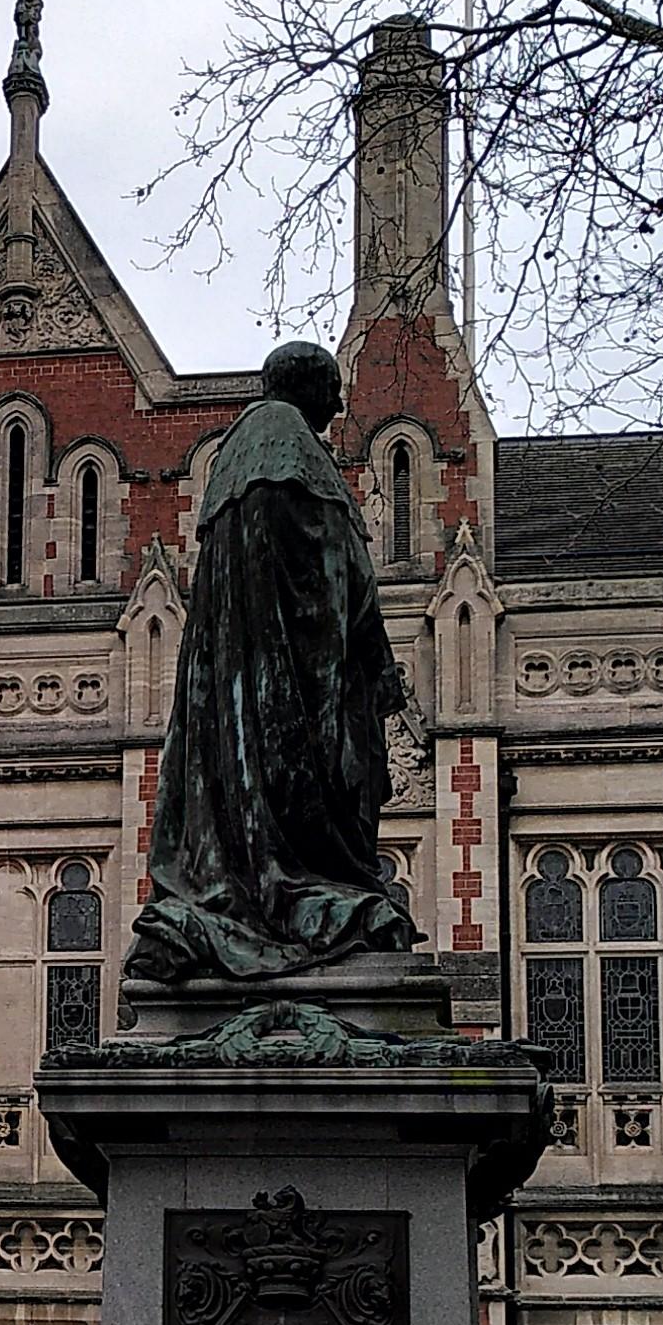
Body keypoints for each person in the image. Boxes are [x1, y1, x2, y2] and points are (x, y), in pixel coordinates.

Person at [126, 339, 417, 989]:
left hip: (247, 692)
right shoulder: (288, 451)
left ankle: (273, 890)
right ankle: (291, 898)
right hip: (293, 687)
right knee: (312, 802)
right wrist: (368, 657)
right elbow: (329, 578)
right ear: (306, 387)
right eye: (332, 390)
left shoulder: (242, 457)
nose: (338, 406)